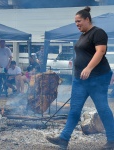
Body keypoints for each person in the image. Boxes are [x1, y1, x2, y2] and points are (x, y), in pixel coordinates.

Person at [46, 6, 114, 150]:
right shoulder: (83, 35)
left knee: (102, 108)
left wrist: (88, 68)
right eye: (75, 22)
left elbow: (100, 51)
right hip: (80, 79)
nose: (77, 24)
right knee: (75, 110)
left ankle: (112, 140)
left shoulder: (98, 33)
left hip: (98, 77)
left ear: (87, 19)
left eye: (79, 21)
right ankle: (64, 139)